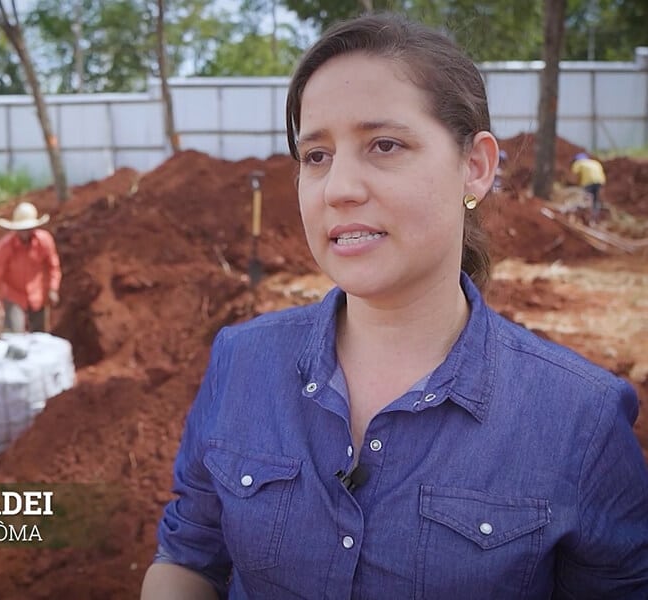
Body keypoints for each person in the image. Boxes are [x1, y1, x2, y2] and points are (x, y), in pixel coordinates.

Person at [142, 13, 648, 600]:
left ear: (476, 168)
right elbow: (190, 557)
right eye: (316, 156)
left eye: (384, 145)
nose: (339, 188)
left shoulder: (578, 418)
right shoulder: (241, 361)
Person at [0, 201, 62, 333]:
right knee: (15, 333)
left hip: (38, 294)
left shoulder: (44, 241)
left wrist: (53, 288)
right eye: (21, 229)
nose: (25, 232)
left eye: (28, 228)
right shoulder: (5, 247)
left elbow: (53, 266)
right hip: (14, 295)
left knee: (39, 335)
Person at [570, 152, 606, 224]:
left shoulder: (578, 163)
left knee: (586, 199)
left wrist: (575, 185)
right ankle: (594, 218)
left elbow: (574, 176)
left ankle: (586, 217)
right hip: (600, 182)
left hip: (588, 182)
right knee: (595, 200)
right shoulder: (595, 162)